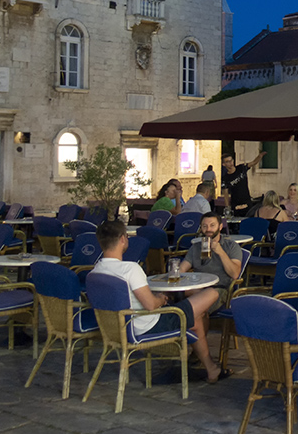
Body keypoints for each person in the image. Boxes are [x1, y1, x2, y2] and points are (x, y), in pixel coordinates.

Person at [93, 219, 226, 382]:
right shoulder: (130, 269)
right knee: (211, 293)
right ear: (122, 239)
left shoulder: (96, 270)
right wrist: (161, 299)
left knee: (196, 320)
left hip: (116, 328)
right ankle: (209, 369)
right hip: (146, 326)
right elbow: (150, 305)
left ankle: (211, 369)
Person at [177, 212, 242, 377]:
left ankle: (195, 349)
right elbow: (182, 269)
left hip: (220, 290)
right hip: (198, 289)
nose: (208, 229)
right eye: (205, 226)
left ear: (220, 226)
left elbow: (235, 274)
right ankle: (208, 364)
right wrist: (174, 272)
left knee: (196, 309)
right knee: (199, 312)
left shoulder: (230, 247)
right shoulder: (196, 247)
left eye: (212, 225)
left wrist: (219, 251)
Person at [220, 150, 265, 215]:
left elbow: (253, 163)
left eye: (231, 160)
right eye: (227, 161)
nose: (230, 163)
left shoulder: (241, 168)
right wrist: (227, 207)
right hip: (235, 204)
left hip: (247, 201)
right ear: (224, 164)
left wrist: (260, 156)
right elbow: (226, 194)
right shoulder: (225, 178)